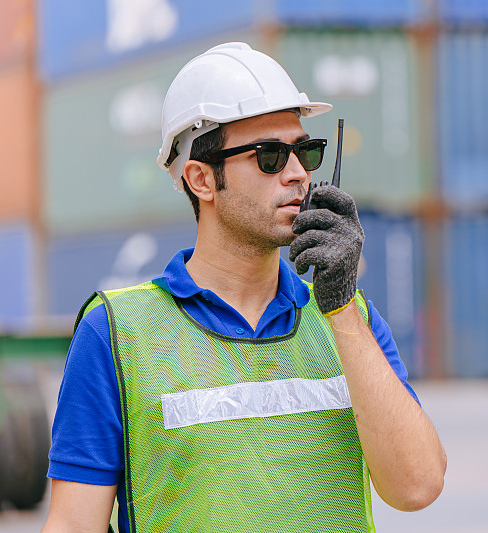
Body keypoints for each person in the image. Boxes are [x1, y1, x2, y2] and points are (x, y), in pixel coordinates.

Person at [42, 42, 446, 533]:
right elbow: (72, 526)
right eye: (270, 156)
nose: (298, 173)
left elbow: (417, 487)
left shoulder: (347, 318)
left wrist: (339, 309)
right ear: (201, 180)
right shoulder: (117, 334)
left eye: (306, 151)